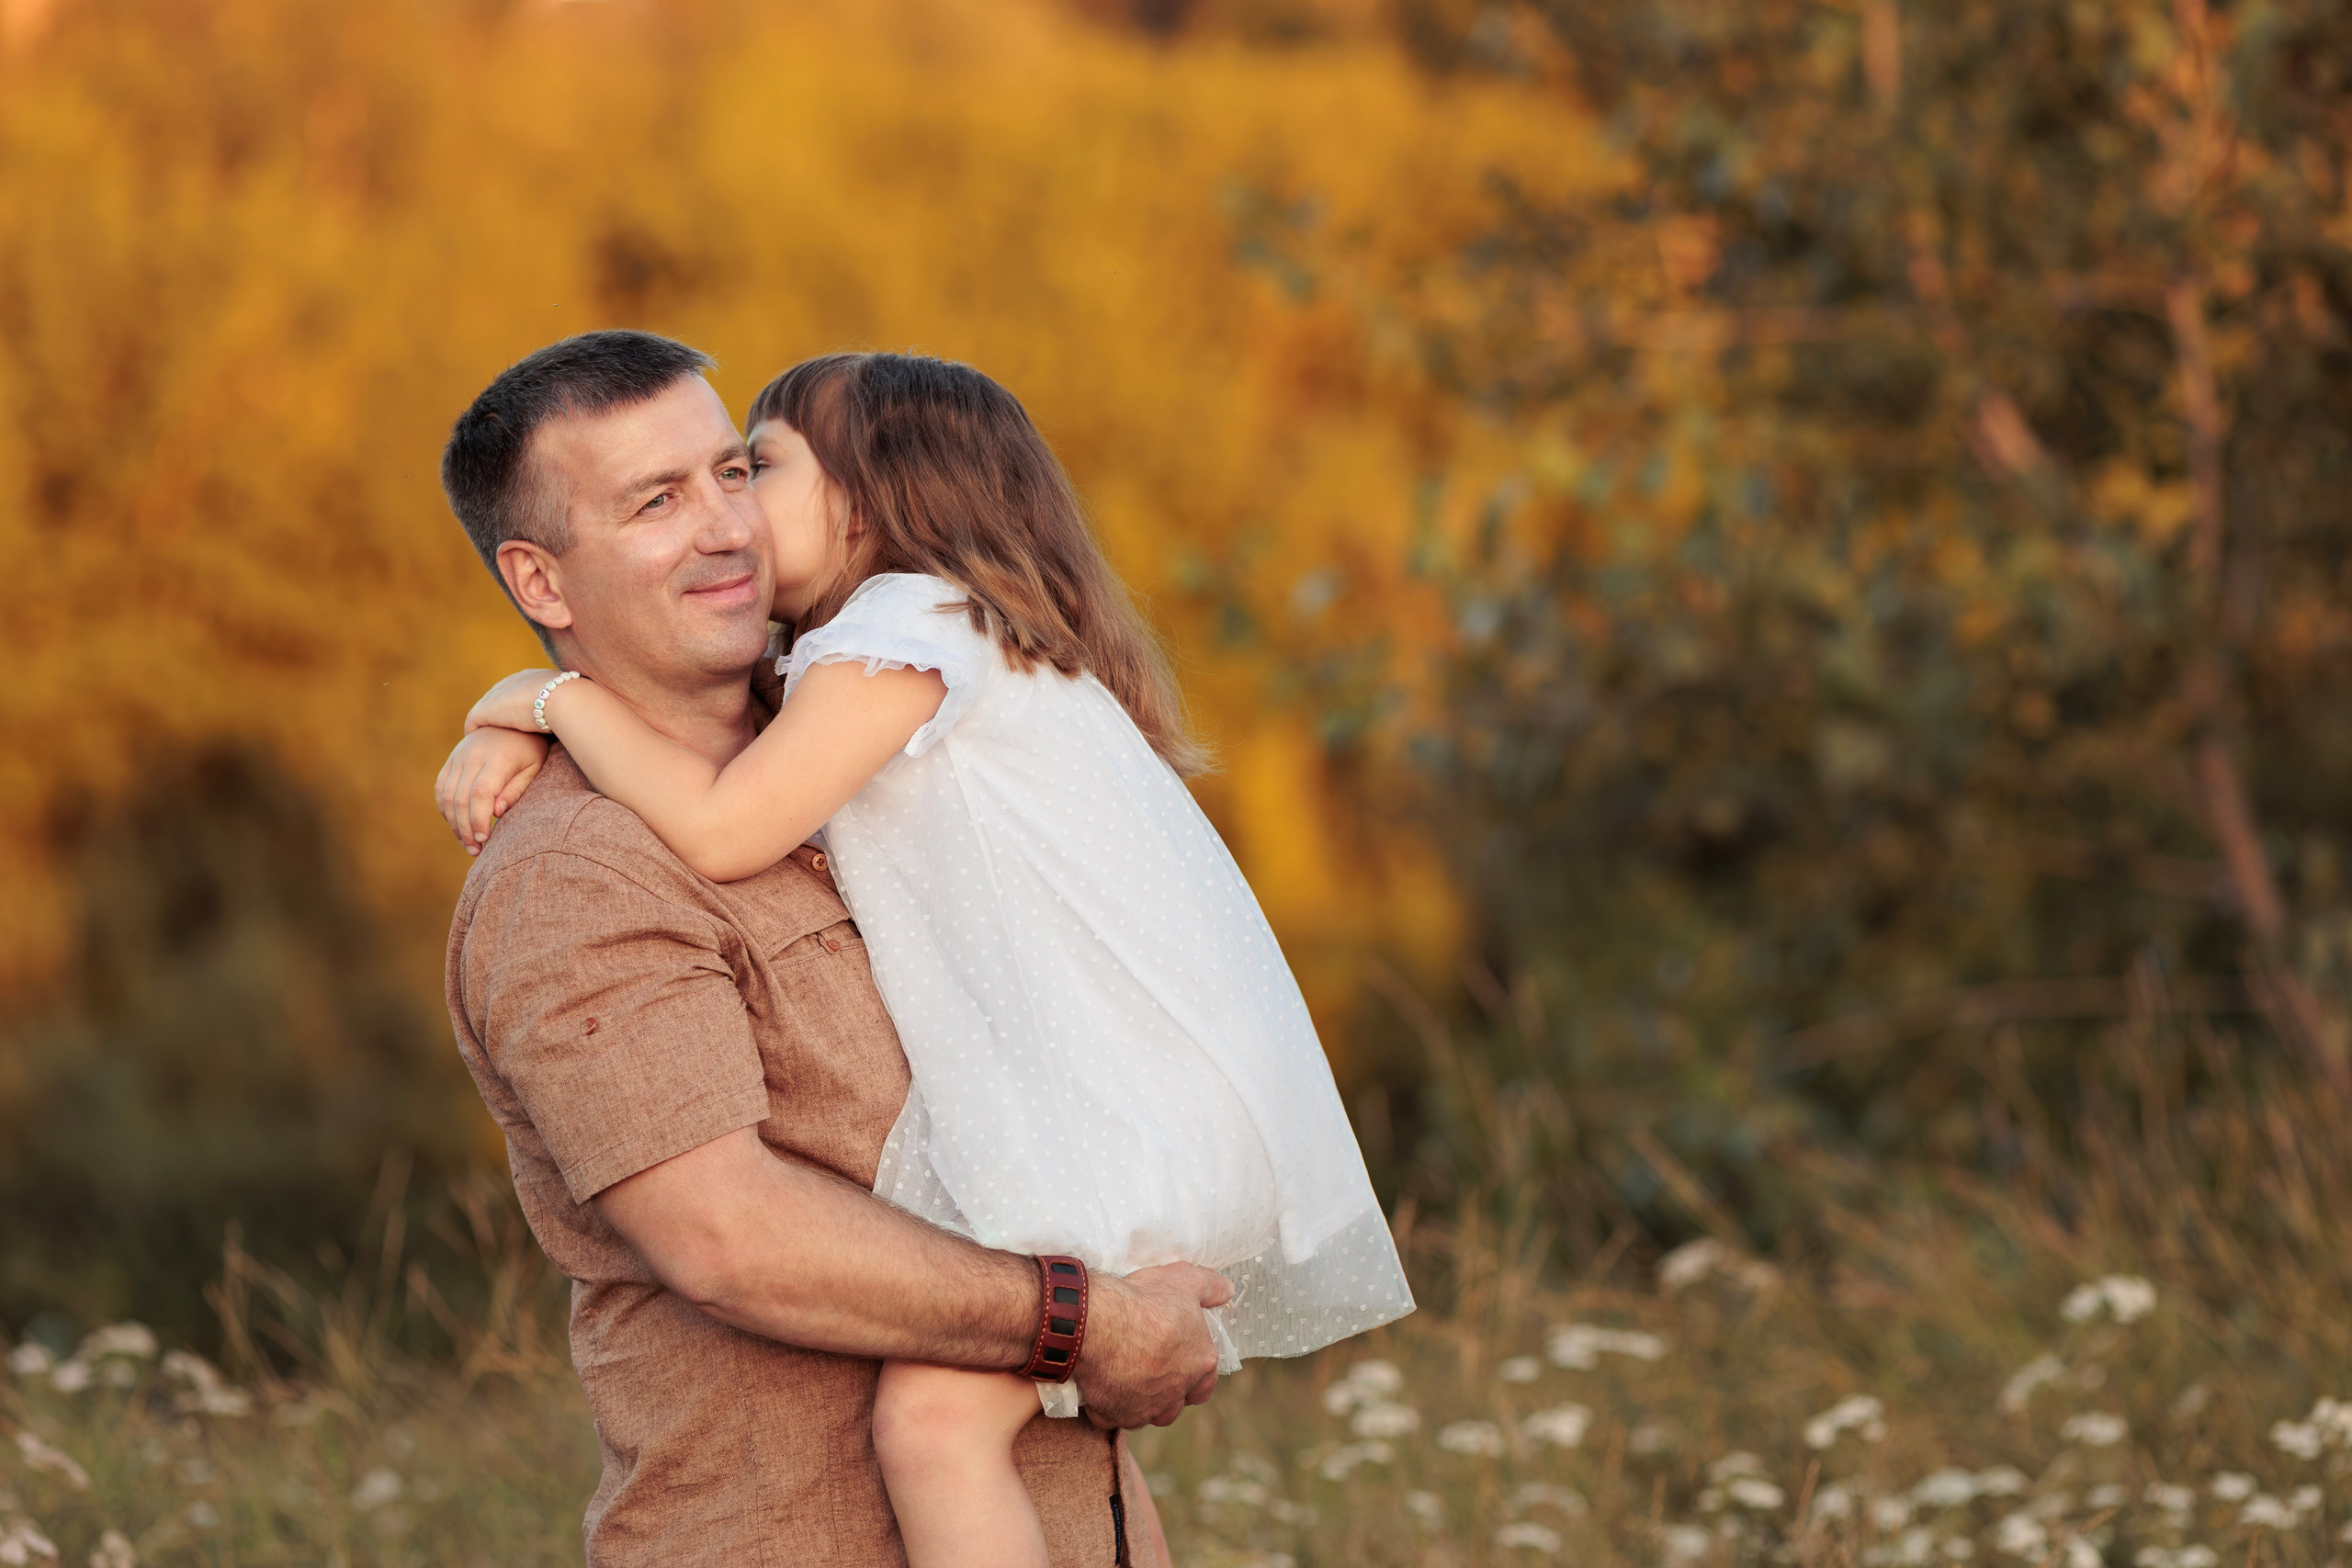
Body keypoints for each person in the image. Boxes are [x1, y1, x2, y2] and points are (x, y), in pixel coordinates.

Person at [438, 349, 1413, 1567]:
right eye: (656, 502)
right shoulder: (579, 875)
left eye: (735, 470)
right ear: (541, 576)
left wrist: (531, 697)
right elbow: (726, 1236)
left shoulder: (865, 760)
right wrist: (1078, 1325)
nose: (728, 524)